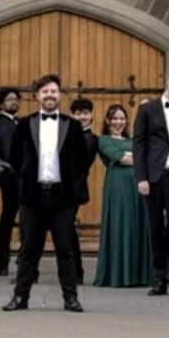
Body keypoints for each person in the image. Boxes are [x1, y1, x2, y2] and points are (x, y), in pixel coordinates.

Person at [3, 75, 89, 312]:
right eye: (45, 92)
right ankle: (20, 297)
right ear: (37, 96)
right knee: (28, 250)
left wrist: (73, 188)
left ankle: (70, 297)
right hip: (33, 197)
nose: (49, 95)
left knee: (65, 249)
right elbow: (14, 157)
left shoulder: (72, 126)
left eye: (53, 91)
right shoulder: (24, 124)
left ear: (59, 95)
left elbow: (82, 161)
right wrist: (25, 179)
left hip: (62, 198)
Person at [133, 69, 169, 297]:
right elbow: (139, 144)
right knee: (155, 229)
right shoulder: (147, 109)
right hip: (153, 177)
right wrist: (141, 177)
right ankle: (158, 280)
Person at [93, 104, 150, 288]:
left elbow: (146, 156)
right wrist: (134, 156)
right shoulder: (103, 140)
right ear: (108, 121)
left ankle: (139, 275)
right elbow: (122, 158)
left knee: (139, 224)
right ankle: (119, 274)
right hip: (118, 184)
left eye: (122, 118)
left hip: (138, 184)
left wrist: (133, 155)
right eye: (115, 118)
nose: (119, 122)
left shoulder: (133, 139)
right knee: (121, 223)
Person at [70, 97, 98, 283]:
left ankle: (76, 271)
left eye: (86, 113)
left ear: (92, 115)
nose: (82, 117)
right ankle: (75, 271)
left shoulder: (90, 139)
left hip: (74, 189)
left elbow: (79, 164)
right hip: (65, 189)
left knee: (68, 230)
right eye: (78, 113)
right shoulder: (70, 134)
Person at [0, 87, 21, 276]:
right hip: (11, 177)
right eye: (10, 99)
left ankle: (21, 259)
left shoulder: (18, 122)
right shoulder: (2, 123)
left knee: (24, 219)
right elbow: (7, 150)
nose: (14, 102)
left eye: (17, 99)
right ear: (1, 104)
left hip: (22, 178)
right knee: (8, 220)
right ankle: (4, 261)